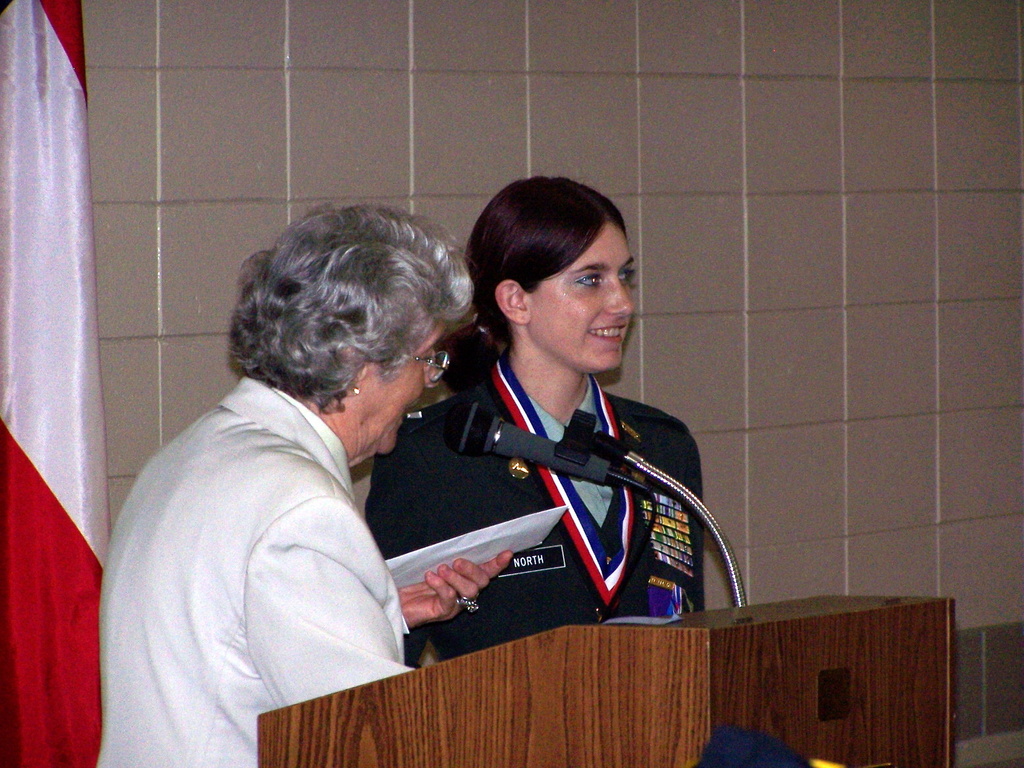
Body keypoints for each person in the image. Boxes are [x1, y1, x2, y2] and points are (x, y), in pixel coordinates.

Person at [97, 205, 512, 768]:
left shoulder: (189, 454)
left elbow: (232, 652)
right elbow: (377, 743)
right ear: (359, 366)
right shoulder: (304, 509)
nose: (428, 385)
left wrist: (381, 612)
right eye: (427, 361)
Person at [366, 176, 704, 666]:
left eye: (624, 276)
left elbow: (689, 628)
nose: (623, 303)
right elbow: (382, 659)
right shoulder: (433, 454)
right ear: (515, 301)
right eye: (591, 280)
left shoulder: (660, 448)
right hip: (505, 735)